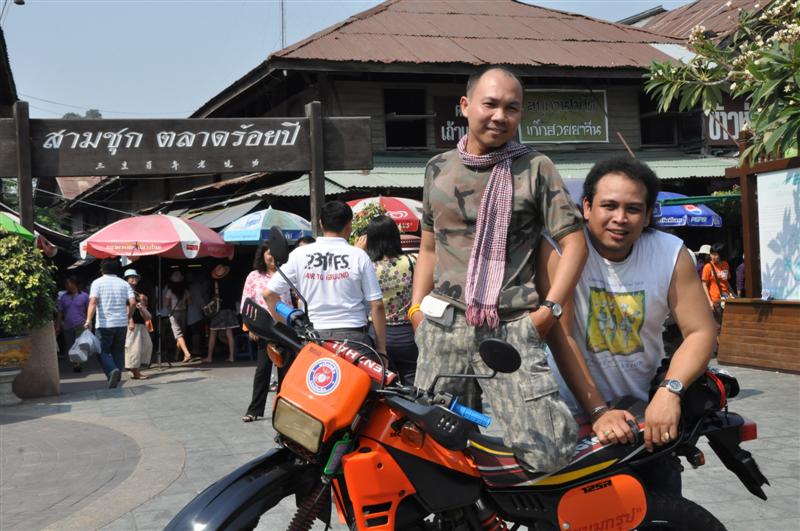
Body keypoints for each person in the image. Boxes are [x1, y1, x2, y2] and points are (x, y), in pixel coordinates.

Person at [409, 66, 588, 473]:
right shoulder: (437, 168)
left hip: (511, 327)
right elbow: (429, 245)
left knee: (549, 452)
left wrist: (549, 311)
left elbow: (575, 244)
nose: (500, 116)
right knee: (431, 446)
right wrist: (416, 311)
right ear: (465, 106)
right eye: (490, 104)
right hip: (443, 326)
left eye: (512, 108)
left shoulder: (536, 167)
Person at [540, 156, 716, 493]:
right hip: (569, 418)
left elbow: (700, 331)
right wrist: (598, 411)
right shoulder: (561, 250)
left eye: (633, 209)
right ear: (587, 207)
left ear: (648, 215)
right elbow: (561, 335)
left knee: (663, 509)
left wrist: (670, 391)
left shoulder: (669, 252)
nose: (620, 218)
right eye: (609, 206)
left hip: (645, 417)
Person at [264, 200, 386, 356]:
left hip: (313, 340)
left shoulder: (299, 254)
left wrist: (288, 330)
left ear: (321, 223)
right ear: (349, 225)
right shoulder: (359, 256)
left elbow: (268, 294)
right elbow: (377, 305)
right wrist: (381, 349)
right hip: (354, 340)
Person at [358, 215, 419, 385]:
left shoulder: (366, 266)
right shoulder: (413, 261)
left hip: (377, 333)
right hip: (409, 333)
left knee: (384, 385)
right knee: (412, 382)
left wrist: (358, 251)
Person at [240, 241, 292, 422]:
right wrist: (250, 326)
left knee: (285, 371)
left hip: (284, 328)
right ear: (262, 255)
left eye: (274, 253)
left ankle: (282, 411)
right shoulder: (254, 276)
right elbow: (246, 302)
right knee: (263, 369)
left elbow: (292, 300)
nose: (272, 257)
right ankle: (254, 410)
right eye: (269, 253)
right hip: (263, 328)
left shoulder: (285, 274)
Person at [84, 259, 136, 388]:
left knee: (102, 351)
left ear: (102, 270)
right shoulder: (124, 284)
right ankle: (115, 376)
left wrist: (88, 320)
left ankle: (112, 370)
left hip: (104, 324)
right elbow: (133, 303)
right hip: (121, 324)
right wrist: (129, 316)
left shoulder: (97, 283)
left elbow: (93, 302)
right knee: (118, 351)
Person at [205, 264, 239, 363]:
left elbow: (211, 296)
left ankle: (209, 357)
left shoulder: (216, 283)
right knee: (229, 333)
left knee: (213, 333)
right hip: (229, 309)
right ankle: (231, 357)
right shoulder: (231, 282)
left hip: (218, 310)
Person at [56, 275, 89, 372]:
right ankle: (75, 362)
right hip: (67, 325)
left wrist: (88, 321)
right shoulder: (63, 297)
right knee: (71, 345)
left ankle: (77, 363)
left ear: (75, 284)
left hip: (81, 324)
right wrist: (58, 325)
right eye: (66, 284)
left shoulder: (84, 296)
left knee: (79, 344)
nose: (67, 285)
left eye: (69, 283)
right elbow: (60, 312)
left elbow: (89, 310)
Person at [123, 269, 152, 380]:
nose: (134, 279)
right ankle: (136, 372)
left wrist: (143, 304)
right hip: (132, 323)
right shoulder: (125, 292)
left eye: (135, 277)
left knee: (147, 345)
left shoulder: (137, 294)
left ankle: (133, 369)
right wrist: (130, 321)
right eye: (131, 277)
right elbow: (125, 307)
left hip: (140, 322)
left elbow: (143, 310)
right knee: (133, 348)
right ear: (126, 279)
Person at [163, 270, 195, 363]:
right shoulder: (185, 291)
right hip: (183, 313)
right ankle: (177, 356)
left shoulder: (170, 291)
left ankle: (187, 354)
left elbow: (166, 304)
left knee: (178, 335)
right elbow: (190, 302)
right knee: (181, 335)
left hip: (174, 314)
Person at [701, 243, 734, 323]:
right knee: (719, 325)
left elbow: (726, 281)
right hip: (715, 300)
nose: (713, 257)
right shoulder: (708, 267)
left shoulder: (726, 264)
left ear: (721, 255)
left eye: (715, 254)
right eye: (712, 254)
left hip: (726, 299)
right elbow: (704, 285)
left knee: (729, 323)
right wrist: (710, 302)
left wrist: (733, 294)